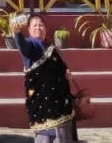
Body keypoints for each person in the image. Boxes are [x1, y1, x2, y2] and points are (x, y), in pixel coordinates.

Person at [14, 13, 77, 142]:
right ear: (30, 29)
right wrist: (17, 33)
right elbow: (22, 46)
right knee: (45, 136)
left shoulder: (52, 48)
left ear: (46, 28)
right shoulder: (31, 45)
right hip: (42, 103)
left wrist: (66, 74)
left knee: (63, 136)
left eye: (41, 25)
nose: (38, 28)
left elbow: (61, 68)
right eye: (35, 25)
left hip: (60, 102)